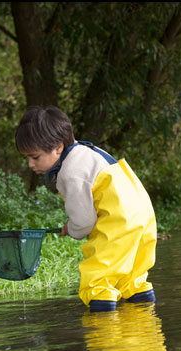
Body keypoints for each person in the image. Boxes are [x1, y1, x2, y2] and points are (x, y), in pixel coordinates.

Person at [15, 105, 157, 312]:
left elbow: (84, 221)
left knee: (97, 282)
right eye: (26, 158)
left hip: (120, 224)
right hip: (142, 216)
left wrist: (73, 229)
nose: (30, 164)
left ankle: (104, 338)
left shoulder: (70, 171)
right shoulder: (87, 151)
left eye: (35, 157)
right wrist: (74, 224)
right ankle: (146, 331)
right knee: (132, 278)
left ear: (58, 147)